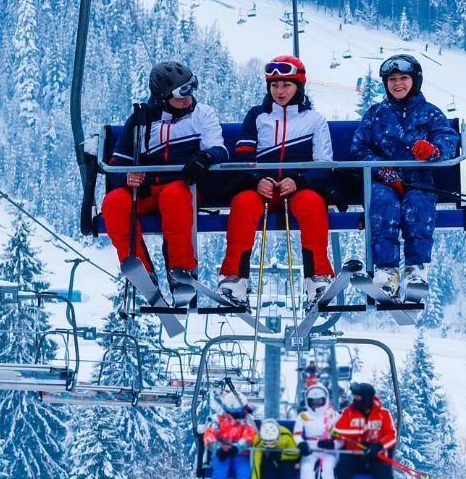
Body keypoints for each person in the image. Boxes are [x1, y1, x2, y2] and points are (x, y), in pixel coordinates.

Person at [216, 56, 337, 303]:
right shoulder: (257, 117)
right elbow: (243, 159)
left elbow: (324, 166)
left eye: (286, 85)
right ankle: (234, 279)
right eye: (274, 85)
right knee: (243, 204)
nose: (279, 91)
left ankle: (317, 278)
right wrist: (255, 180)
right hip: (262, 187)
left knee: (312, 205)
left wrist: (300, 181)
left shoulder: (314, 120)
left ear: (299, 86)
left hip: (299, 187)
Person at [100, 61, 227, 279]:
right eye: (180, 95)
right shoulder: (141, 121)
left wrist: (205, 157)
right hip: (147, 191)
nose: (188, 98)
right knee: (113, 203)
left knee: (174, 196)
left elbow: (219, 149)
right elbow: (116, 165)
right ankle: (141, 271)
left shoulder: (201, 114)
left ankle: (181, 270)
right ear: (162, 97)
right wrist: (126, 177)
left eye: (190, 91)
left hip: (183, 188)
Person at [351, 54, 459, 296]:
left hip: (418, 180)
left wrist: (434, 151)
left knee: (418, 204)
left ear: (415, 81)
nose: (397, 84)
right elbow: (359, 149)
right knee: (383, 204)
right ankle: (387, 271)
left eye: (403, 78)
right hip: (383, 182)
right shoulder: (376, 114)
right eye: (391, 79)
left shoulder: (429, 114)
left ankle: (415, 269)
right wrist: (383, 169)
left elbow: (447, 138)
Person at [333, 382, 398, 479]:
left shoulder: (383, 414)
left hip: (374, 455)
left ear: (367, 398)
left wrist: (378, 446)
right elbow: (339, 431)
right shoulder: (348, 413)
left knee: (386, 476)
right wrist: (357, 434)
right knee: (341, 469)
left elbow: (391, 435)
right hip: (353, 454)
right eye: (354, 397)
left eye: (358, 398)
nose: (354, 400)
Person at [202, 389, 258, 479]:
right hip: (222, 453)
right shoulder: (218, 419)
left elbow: (250, 436)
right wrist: (217, 448)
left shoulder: (247, 420)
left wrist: (237, 447)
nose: (241, 413)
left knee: (244, 474)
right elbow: (209, 434)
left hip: (240, 454)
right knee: (219, 473)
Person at [293, 385, 339, 479]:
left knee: (327, 470)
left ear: (325, 399)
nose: (316, 404)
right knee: (306, 470)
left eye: (319, 400)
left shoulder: (333, 415)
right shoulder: (303, 416)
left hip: (327, 448)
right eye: (313, 401)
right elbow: (297, 434)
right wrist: (301, 443)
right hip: (310, 447)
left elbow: (341, 434)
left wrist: (333, 443)